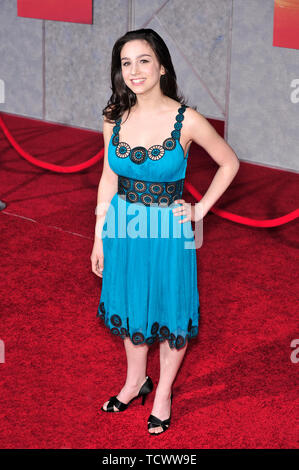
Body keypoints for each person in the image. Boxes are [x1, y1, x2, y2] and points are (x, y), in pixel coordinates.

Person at [90, 28, 240, 435]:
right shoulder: (114, 116)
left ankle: (163, 394)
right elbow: (107, 177)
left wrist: (199, 210)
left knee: (172, 313)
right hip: (122, 224)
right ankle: (135, 381)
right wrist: (99, 235)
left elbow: (230, 163)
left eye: (143, 60)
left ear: (161, 66)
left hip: (167, 231)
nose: (134, 71)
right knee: (131, 304)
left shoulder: (186, 119)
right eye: (126, 63)